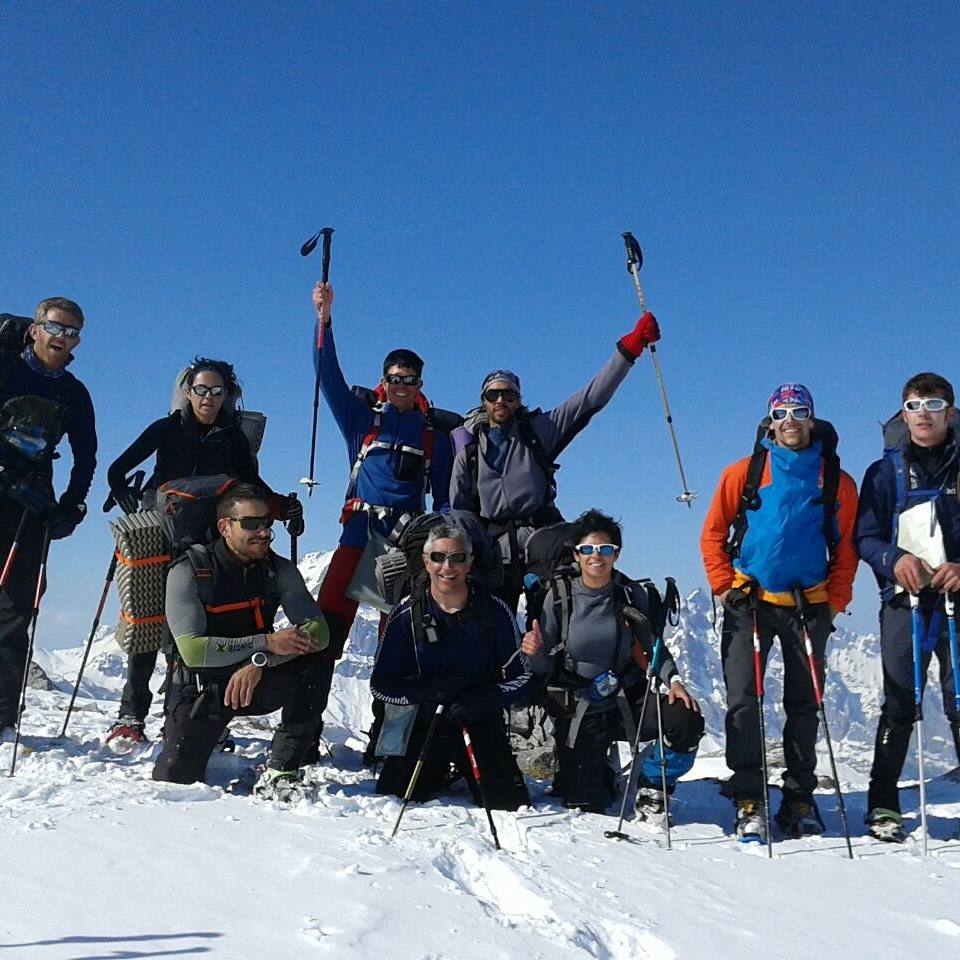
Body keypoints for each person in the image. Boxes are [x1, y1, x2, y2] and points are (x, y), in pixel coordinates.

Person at [103, 358, 303, 746]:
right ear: (187, 392)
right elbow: (117, 468)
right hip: (167, 534)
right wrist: (128, 497)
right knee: (150, 619)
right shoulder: (167, 429)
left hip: (208, 542)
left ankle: (182, 710)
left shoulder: (232, 439)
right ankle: (132, 712)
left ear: (227, 395)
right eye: (200, 390)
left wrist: (279, 507)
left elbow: (252, 486)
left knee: (192, 629)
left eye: (216, 391)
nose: (207, 398)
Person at [700, 383, 858, 841]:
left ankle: (799, 798)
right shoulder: (744, 472)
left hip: (808, 605)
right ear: (770, 420)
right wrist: (725, 588)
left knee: (805, 705)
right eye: (781, 411)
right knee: (743, 701)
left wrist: (835, 603)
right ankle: (749, 794)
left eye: (798, 411)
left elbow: (846, 548)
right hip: (749, 601)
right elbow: (713, 534)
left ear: (812, 418)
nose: (789, 419)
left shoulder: (835, 480)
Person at [310, 282, 455, 757]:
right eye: (394, 377)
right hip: (357, 534)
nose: (401, 385)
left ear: (420, 384)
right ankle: (302, 733)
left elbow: (445, 497)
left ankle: (388, 743)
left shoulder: (432, 432)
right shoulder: (360, 419)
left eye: (409, 379)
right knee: (326, 631)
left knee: (398, 645)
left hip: (403, 543)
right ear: (384, 380)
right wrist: (324, 321)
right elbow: (326, 374)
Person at [448, 312, 660, 612]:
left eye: (508, 395)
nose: (501, 401)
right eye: (493, 395)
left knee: (553, 619)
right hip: (494, 550)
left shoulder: (539, 432)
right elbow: (460, 511)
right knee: (494, 625)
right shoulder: (469, 453)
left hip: (542, 541)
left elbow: (590, 398)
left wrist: (631, 347)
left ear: (518, 400)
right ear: (483, 401)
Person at [521, 509, 703, 814]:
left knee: (685, 718)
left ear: (616, 554)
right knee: (585, 801)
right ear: (576, 555)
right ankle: (600, 768)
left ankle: (652, 784)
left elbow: (652, 646)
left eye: (605, 549)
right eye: (588, 549)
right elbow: (544, 669)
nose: (597, 557)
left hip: (626, 704)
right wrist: (535, 651)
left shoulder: (630, 595)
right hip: (579, 711)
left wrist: (673, 681)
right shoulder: (558, 598)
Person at [153, 484, 329, 797]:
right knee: (175, 781)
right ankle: (210, 735)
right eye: (251, 524)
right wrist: (266, 643)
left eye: (266, 523)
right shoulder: (189, 570)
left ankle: (283, 766)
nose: (263, 532)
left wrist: (262, 660)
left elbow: (319, 632)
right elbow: (193, 652)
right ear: (225, 527)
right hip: (202, 688)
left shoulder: (278, 569)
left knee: (315, 662)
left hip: (255, 678)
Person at [855, 372, 960, 842]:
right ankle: (883, 804)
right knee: (900, 702)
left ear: (950, 413)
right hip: (906, 601)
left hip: (957, 600)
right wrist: (894, 560)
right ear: (903, 413)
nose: (923, 415)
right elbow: (865, 536)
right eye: (915, 406)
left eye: (933, 405)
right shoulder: (884, 473)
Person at [370, 523, 532, 810]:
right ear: (425, 561)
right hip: (424, 723)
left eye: (457, 558)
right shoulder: (408, 613)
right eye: (438, 557)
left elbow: (521, 677)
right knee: (396, 796)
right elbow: (381, 685)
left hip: (478, 721)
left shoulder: (494, 611)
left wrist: (485, 698)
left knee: (507, 802)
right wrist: (425, 691)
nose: (448, 567)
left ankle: (458, 770)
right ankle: (441, 771)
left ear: (469, 563)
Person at [0, 300, 95, 740]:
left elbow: (86, 457)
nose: (63, 337)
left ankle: (2, 717)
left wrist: (72, 507)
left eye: (73, 331)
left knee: (17, 613)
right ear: (35, 329)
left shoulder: (74, 393)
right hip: (16, 493)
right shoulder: (5, 370)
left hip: (32, 509)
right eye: (56, 327)